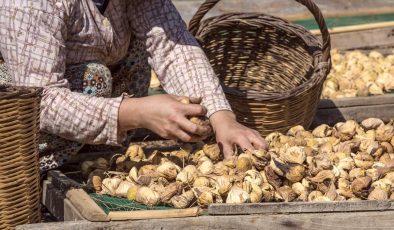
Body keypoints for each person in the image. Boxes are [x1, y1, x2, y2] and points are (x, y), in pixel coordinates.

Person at [0, 0, 267, 171]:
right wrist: (136, 113)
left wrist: (222, 117)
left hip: (93, 103)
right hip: (19, 123)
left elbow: (172, 46)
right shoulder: (32, 3)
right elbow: (40, 100)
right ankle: (45, 169)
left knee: (141, 41)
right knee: (94, 77)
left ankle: (95, 156)